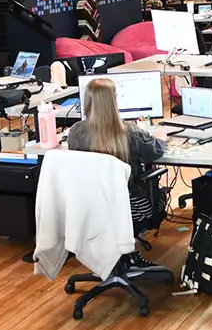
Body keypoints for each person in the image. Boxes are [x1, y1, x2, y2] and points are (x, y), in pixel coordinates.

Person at [67, 78, 167, 268]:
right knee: (160, 193)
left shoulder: (76, 132)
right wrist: (160, 138)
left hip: (91, 209)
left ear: (87, 101)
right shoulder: (130, 132)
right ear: (114, 100)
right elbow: (155, 151)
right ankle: (127, 251)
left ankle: (117, 255)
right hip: (132, 208)